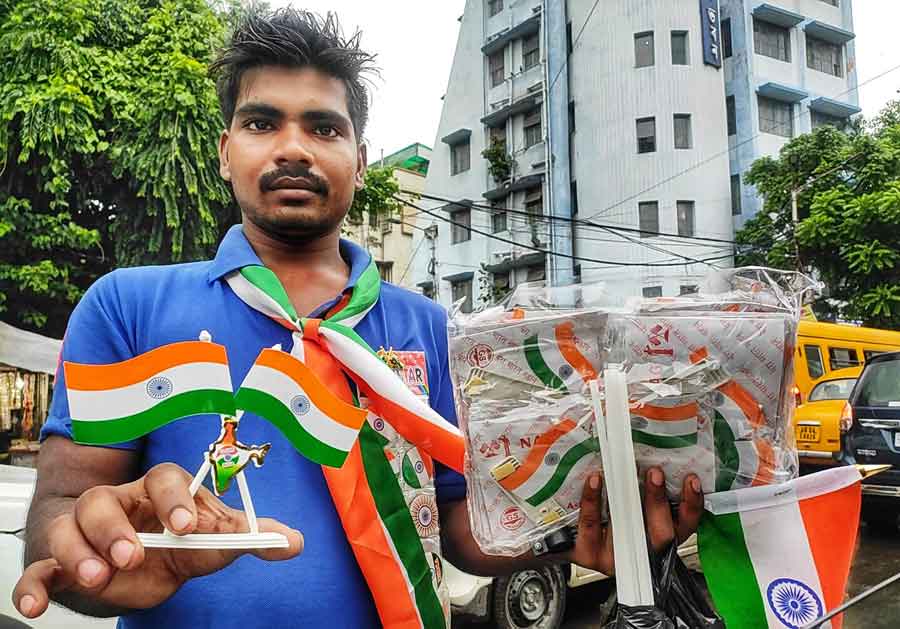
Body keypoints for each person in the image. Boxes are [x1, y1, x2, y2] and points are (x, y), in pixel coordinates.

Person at [13, 8, 703, 628]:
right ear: (226, 152)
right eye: (261, 122)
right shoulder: (126, 307)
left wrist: (571, 530)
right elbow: (60, 517)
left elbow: (461, 523)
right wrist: (97, 562)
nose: (293, 147)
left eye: (324, 127)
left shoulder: (433, 330)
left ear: (360, 159)